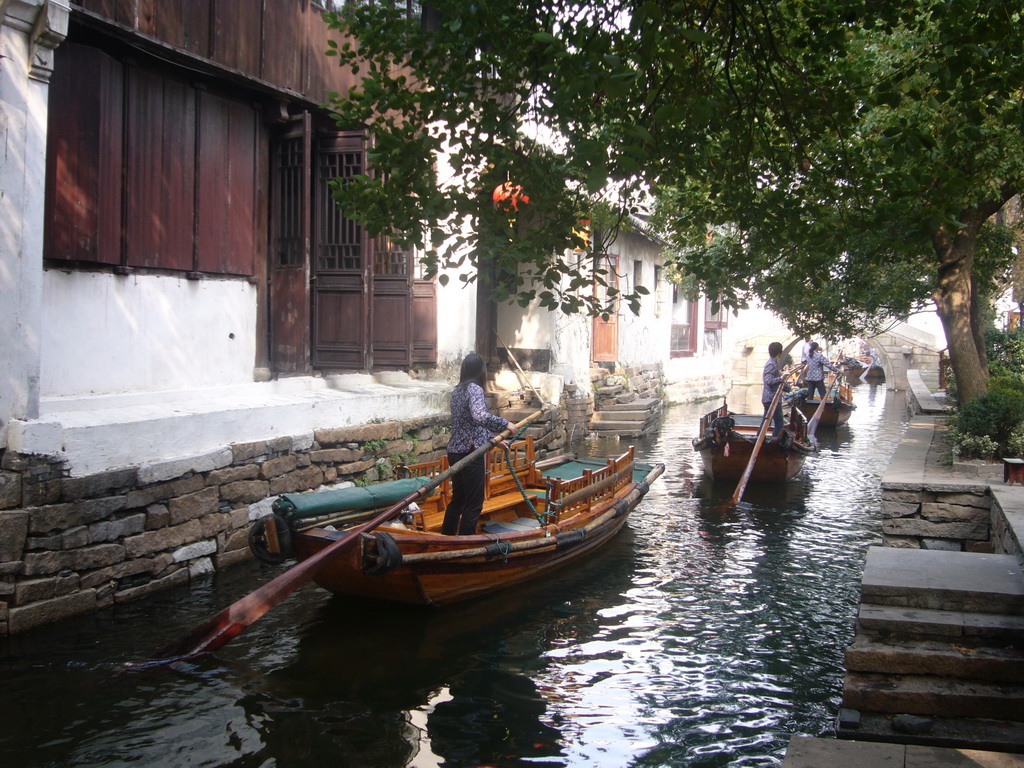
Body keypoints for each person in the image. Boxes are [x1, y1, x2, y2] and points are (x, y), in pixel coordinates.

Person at [442, 352, 511, 535]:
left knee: (458, 499)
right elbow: (479, 416)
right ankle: (467, 544)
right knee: (473, 503)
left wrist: (494, 441)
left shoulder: (457, 391)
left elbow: (468, 425)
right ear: (481, 370)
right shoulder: (475, 389)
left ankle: (446, 537)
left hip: (455, 451)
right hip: (470, 454)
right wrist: (505, 424)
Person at [761, 341, 790, 439]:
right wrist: (781, 378)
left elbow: (776, 381)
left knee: (766, 421)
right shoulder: (771, 364)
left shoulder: (773, 363)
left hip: (771, 397)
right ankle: (774, 441)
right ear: (779, 353)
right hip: (772, 398)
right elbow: (768, 380)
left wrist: (787, 387)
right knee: (779, 423)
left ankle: (758, 438)